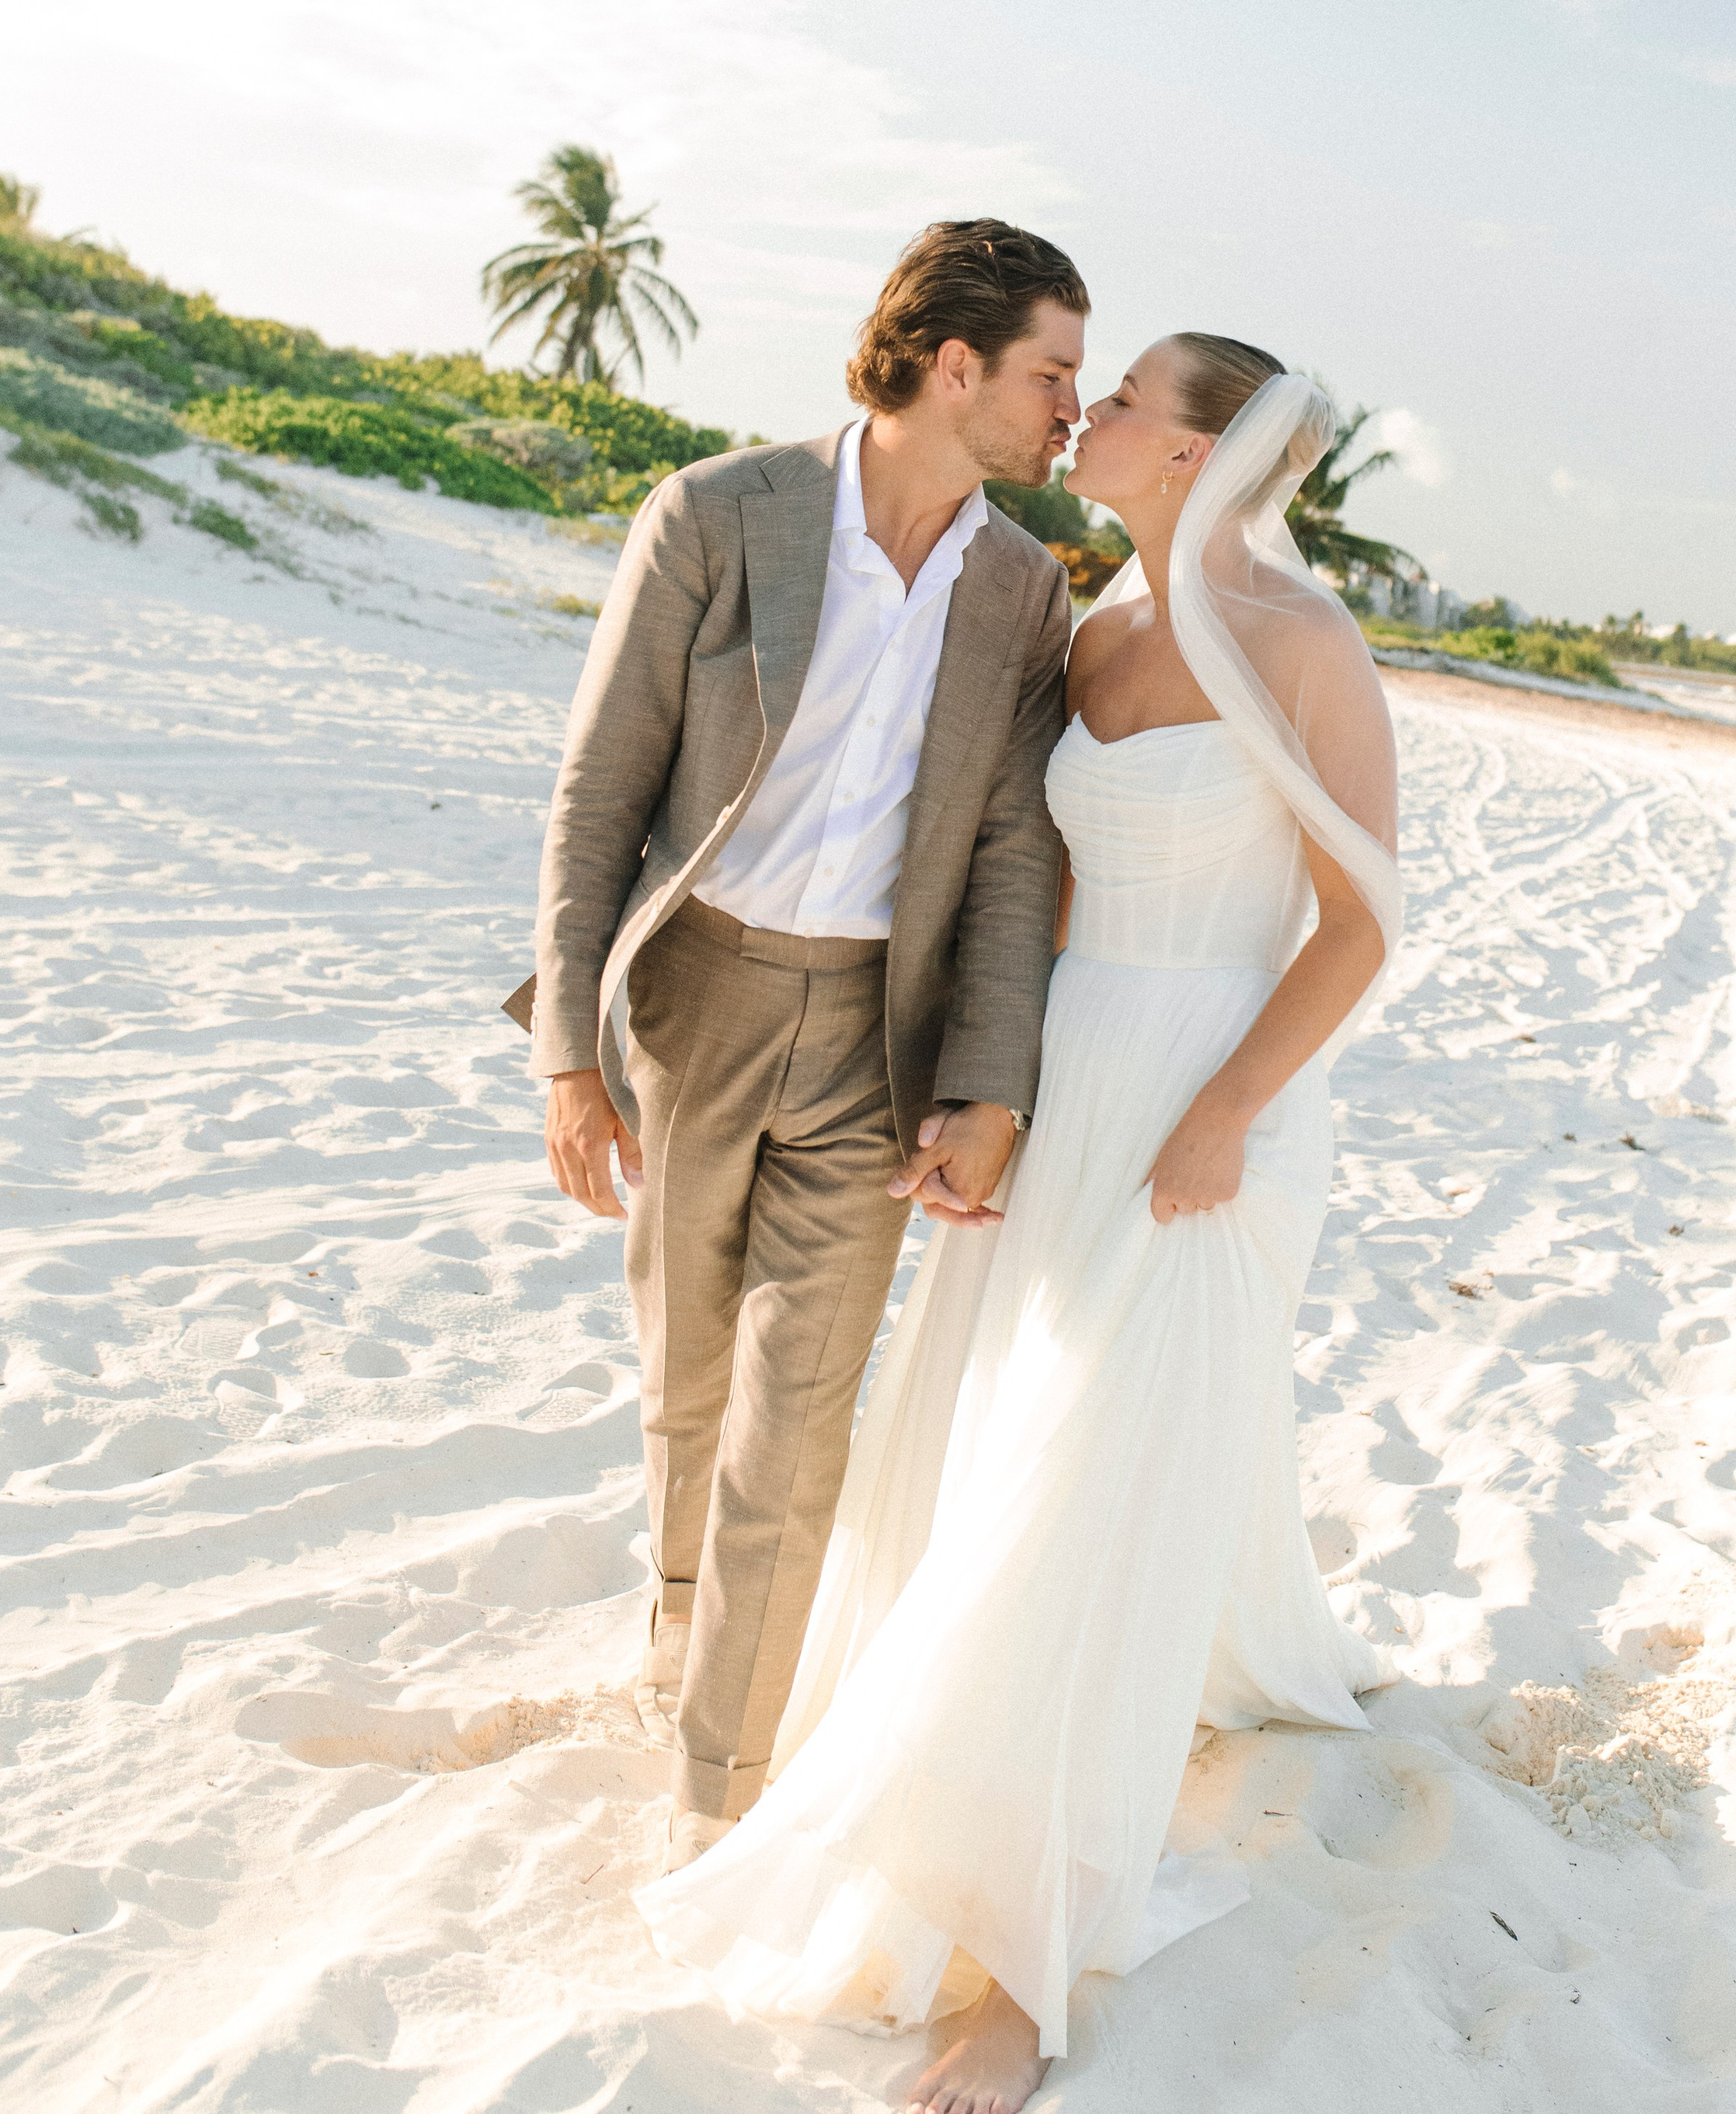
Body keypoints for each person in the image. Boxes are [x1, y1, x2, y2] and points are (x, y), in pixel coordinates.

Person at [635, 336, 1404, 2114]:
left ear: (1207, 453)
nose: (1093, 416)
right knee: (1000, 1447)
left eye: (1128, 399)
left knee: (1089, 1483)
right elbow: (1035, 891)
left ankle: (1017, 1972)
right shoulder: (1093, 628)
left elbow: (1356, 927)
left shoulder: (1299, 643)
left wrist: (1223, 1113)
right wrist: (989, 1098)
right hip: (1067, 1085)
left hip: (1213, 1097)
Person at [508, 218, 1088, 1864]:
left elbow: (1005, 855)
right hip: (688, 1000)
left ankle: (719, 1787)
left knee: (796, 1413)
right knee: (688, 1380)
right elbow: (599, 791)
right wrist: (568, 1050)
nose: (1071, 406)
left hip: (872, 1040)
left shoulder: (1022, 588)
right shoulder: (715, 514)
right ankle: (680, 1637)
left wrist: (987, 1083)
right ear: (953, 364)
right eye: (1050, 371)